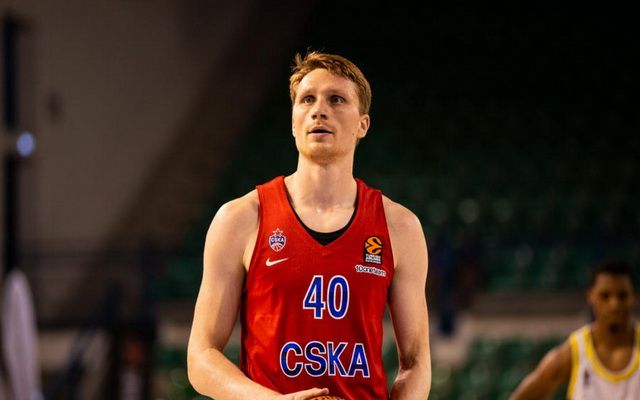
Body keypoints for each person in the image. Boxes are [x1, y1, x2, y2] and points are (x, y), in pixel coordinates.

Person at [187, 51, 431, 399]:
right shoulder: (240, 218)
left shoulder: (400, 227)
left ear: (362, 125)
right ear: (293, 121)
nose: (319, 110)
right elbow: (201, 356)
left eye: (336, 99)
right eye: (307, 99)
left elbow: (416, 362)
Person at [510, 260, 639, 399]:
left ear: (634, 297)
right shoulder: (571, 354)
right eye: (605, 296)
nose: (614, 304)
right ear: (591, 296)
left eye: (622, 296)